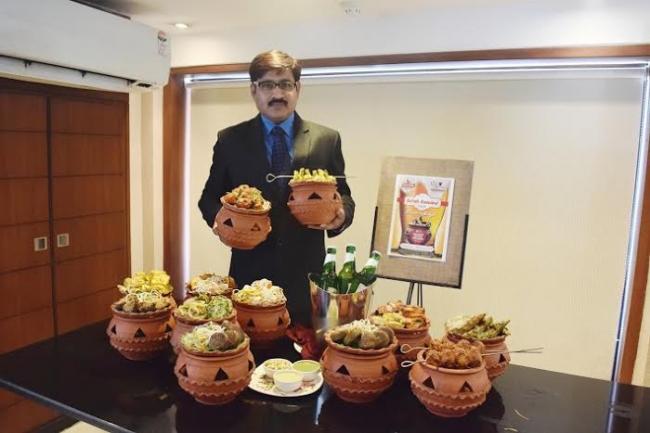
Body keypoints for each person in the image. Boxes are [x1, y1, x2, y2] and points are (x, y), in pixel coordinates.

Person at [198, 50, 355, 325]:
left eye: (285, 84)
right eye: (267, 85)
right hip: (250, 275)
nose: (277, 94)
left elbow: (344, 195)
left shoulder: (326, 139)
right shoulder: (230, 140)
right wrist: (222, 225)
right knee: (250, 346)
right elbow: (209, 198)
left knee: (306, 348)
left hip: (306, 275)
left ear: (298, 88)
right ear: (253, 90)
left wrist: (341, 216)